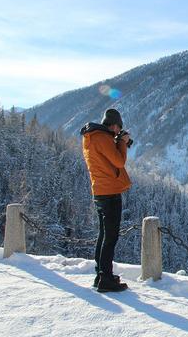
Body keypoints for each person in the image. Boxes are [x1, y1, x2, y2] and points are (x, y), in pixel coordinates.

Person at [79, 108, 132, 292]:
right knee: (110, 237)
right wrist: (122, 143)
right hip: (110, 192)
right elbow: (118, 162)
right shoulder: (102, 138)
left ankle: (101, 274)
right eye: (119, 128)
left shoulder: (92, 137)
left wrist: (116, 141)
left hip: (99, 191)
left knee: (103, 235)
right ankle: (105, 279)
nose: (119, 132)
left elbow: (106, 160)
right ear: (114, 124)